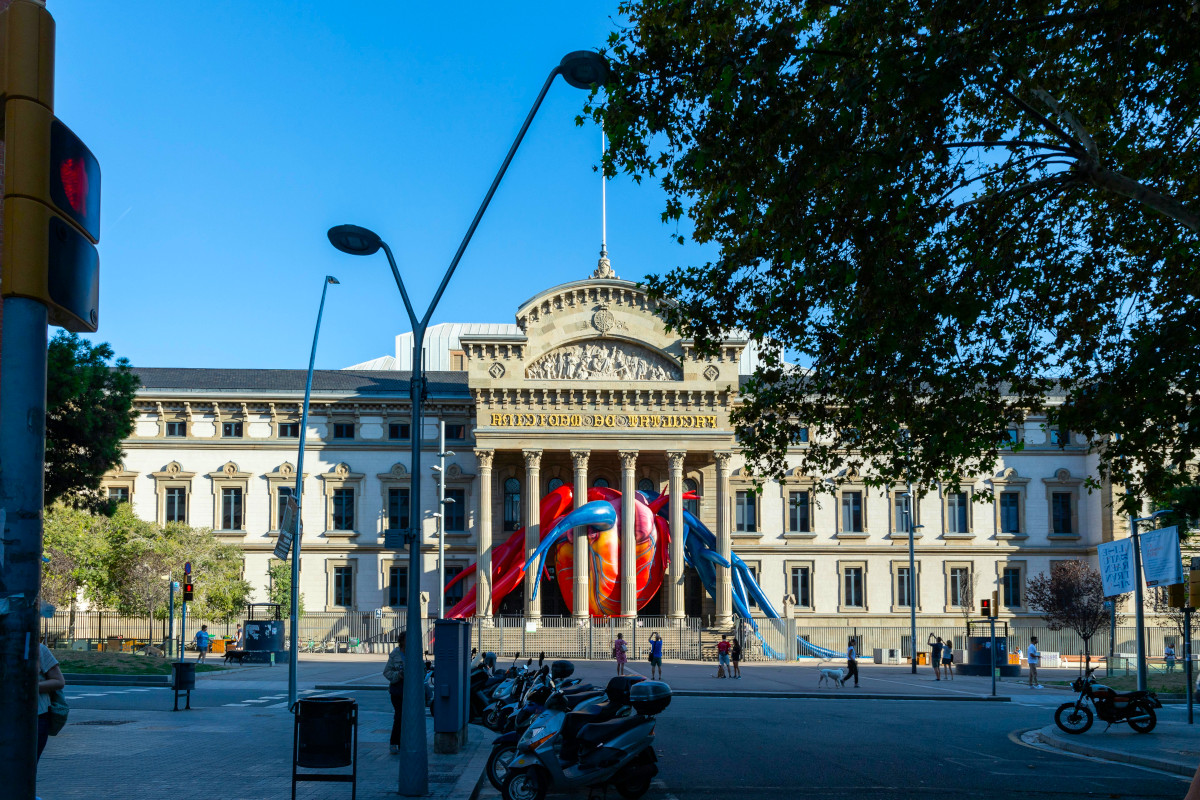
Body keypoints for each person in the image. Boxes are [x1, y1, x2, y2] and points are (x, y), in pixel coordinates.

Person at [37, 641, 65, 763]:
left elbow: (59, 681)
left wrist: (28, 687)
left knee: (25, 768)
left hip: (36, 716)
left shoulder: (38, 649)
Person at [384, 632, 406, 754]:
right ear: (402, 641)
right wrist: (399, 675)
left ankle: (405, 741)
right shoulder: (395, 654)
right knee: (399, 716)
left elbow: (422, 670)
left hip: (411, 691)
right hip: (398, 690)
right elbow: (386, 672)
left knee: (410, 717)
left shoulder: (414, 652)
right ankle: (394, 742)